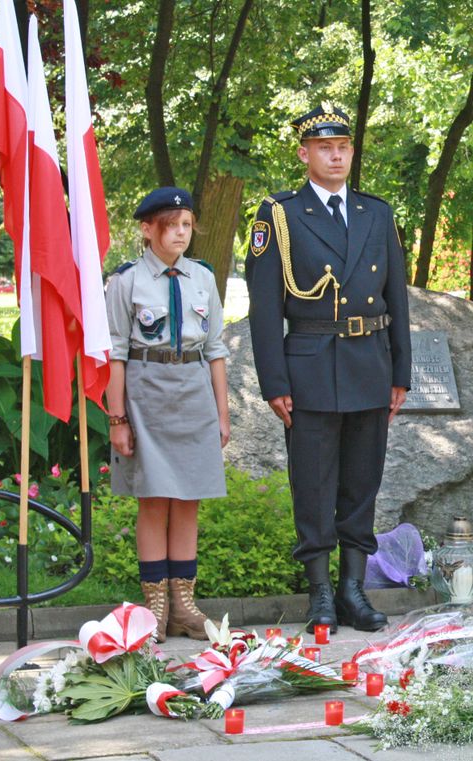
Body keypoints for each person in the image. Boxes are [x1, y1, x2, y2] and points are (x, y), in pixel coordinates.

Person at [245, 103, 411, 633]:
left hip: (370, 364)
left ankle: (353, 591)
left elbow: (397, 297)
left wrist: (400, 373)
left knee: (362, 484)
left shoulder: (375, 213)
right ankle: (319, 592)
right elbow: (265, 307)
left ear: (351, 152)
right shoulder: (280, 215)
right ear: (304, 154)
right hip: (311, 367)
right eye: (324, 148)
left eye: (342, 147)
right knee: (314, 486)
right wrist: (274, 381)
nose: (335, 156)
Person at [105, 187, 230, 641]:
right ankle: (155, 605)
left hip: (194, 393)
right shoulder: (126, 281)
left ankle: (184, 605)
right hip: (147, 394)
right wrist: (117, 418)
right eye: (171, 225)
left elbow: (215, 349)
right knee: (154, 499)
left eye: (187, 225)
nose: (181, 233)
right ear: (147, 229)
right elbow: (116, 353)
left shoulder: (202, 277)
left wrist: (222, 413)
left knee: (189, 499)